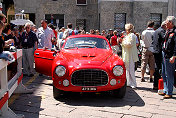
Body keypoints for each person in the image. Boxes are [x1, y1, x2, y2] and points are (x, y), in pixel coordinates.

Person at [159, 16, 176, 99]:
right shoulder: (167, 31)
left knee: (169, 74)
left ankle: (169, 91)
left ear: (171, 23)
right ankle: (165, 90)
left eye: (166, 22)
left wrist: (174, 56)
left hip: (170, 55)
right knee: (163, 73)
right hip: (164, 53)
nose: (165, 23)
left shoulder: (175, 32)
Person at [119, 23, 139, 88]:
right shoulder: (128, 35)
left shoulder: (132, 35)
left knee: (131, 69)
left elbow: (129, 44)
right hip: (127, 54)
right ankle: (128, 82)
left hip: (130, 54)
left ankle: (133, 83)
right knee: (127, 69)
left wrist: (122, 42)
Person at [152, 21, 166, 90]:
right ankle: (158, 85)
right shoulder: (161, 31)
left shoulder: (156, 31)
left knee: (157, 67)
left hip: (155, 51)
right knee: (159, 68)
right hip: (159, 52)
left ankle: (155, 85)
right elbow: (164, 38)